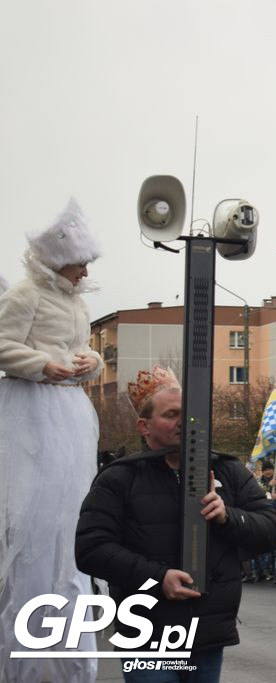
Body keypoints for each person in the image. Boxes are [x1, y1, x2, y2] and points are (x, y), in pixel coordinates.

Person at [75, 365, 276, 681]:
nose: (183, 422)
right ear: (144, 426)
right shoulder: (119, 478)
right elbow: (91, 548)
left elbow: (268, 532)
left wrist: (227, 517)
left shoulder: (228, 471)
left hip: (206, 632)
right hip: (147, 632)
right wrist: (158, 578)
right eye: (170, 415)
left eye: (189, 412)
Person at [0, 198, 103, 683]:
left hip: (69, 411)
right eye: (80, 262)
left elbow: (83, 349)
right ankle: (23, 645)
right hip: (32, 411)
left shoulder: (77, 302)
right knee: (32, 519)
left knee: (71, 518)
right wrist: (42, 365)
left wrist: (91, 364)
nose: (85, 271)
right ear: (59, 260)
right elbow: (2, 345)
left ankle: (65, 647)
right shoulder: (25, 294)